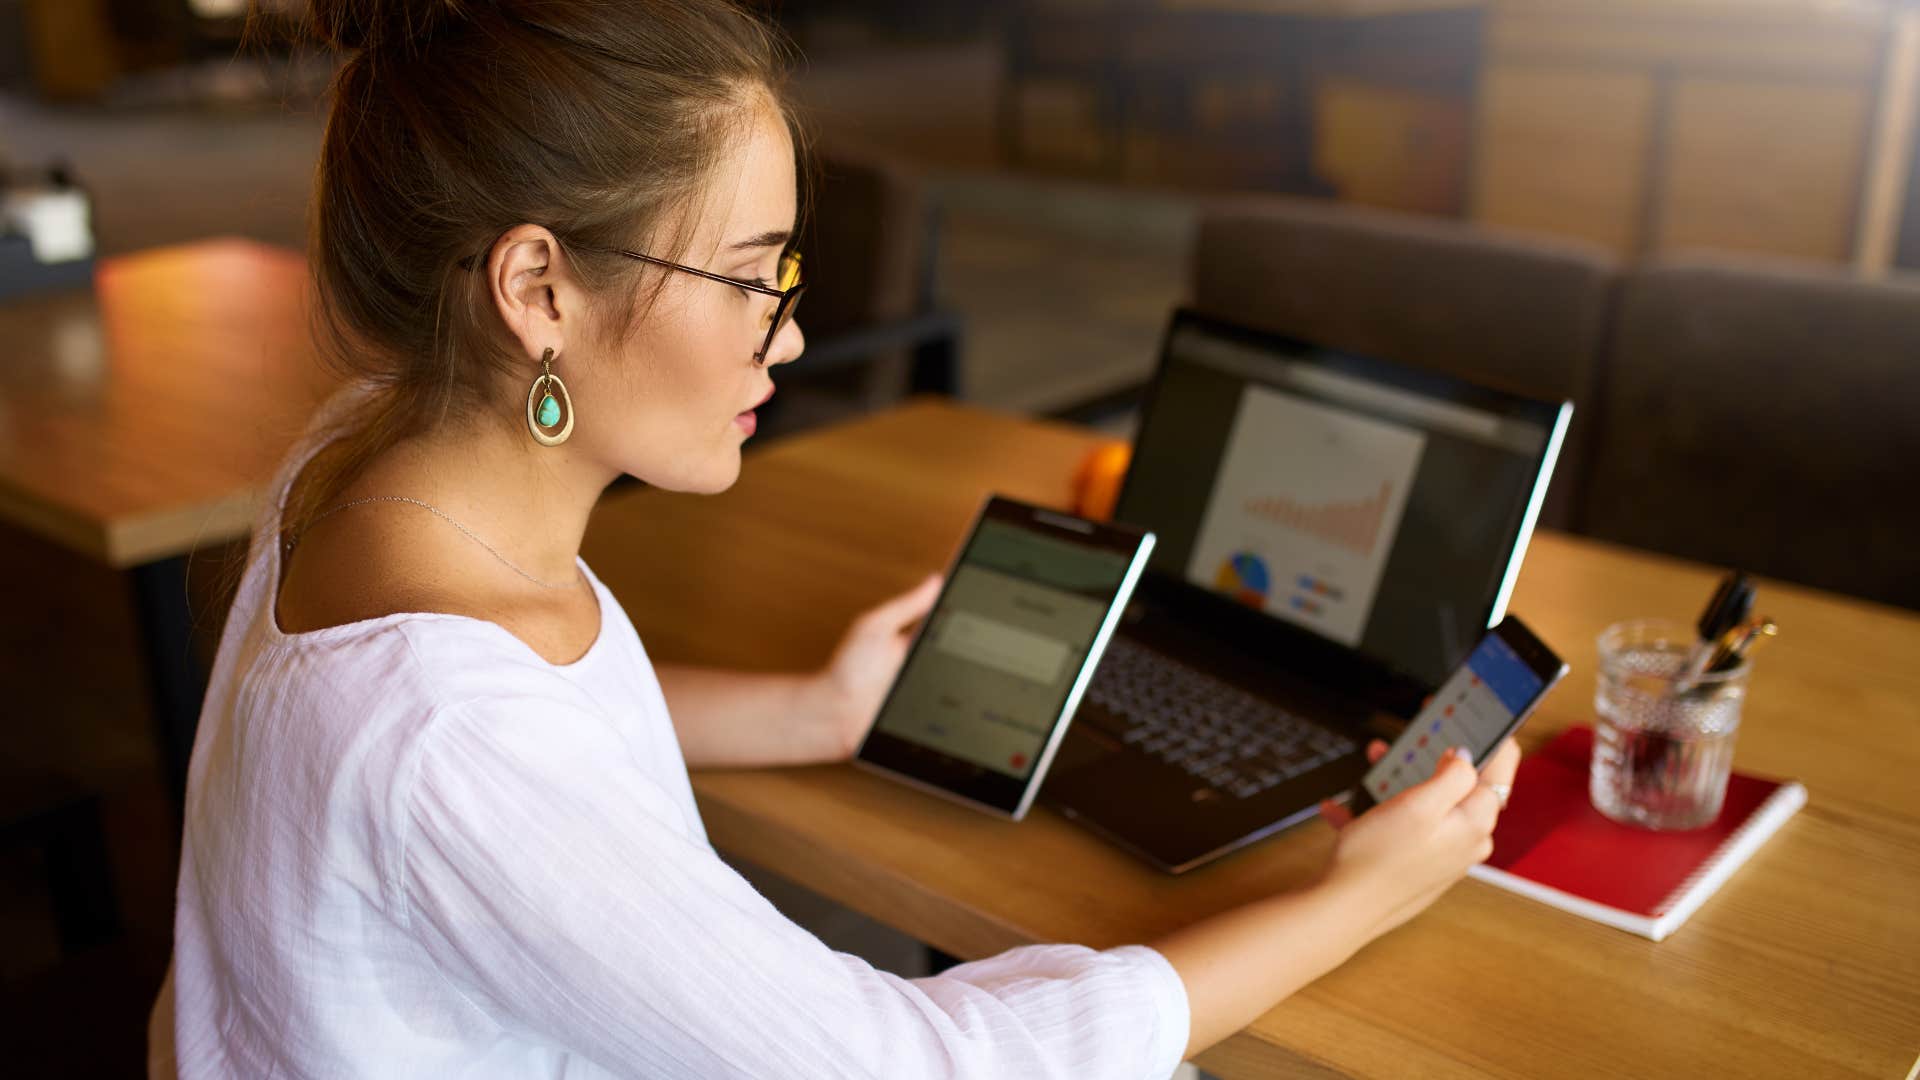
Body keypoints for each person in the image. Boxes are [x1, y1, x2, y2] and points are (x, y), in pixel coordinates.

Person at [150, 1, 1521, 1076]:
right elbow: (926, 1068)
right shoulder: (448, 737)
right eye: (751, 278)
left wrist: (815, 710)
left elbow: (516, 735)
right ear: (536, 287)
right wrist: (1362, 895)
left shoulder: (366, 456)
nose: (791, 335)